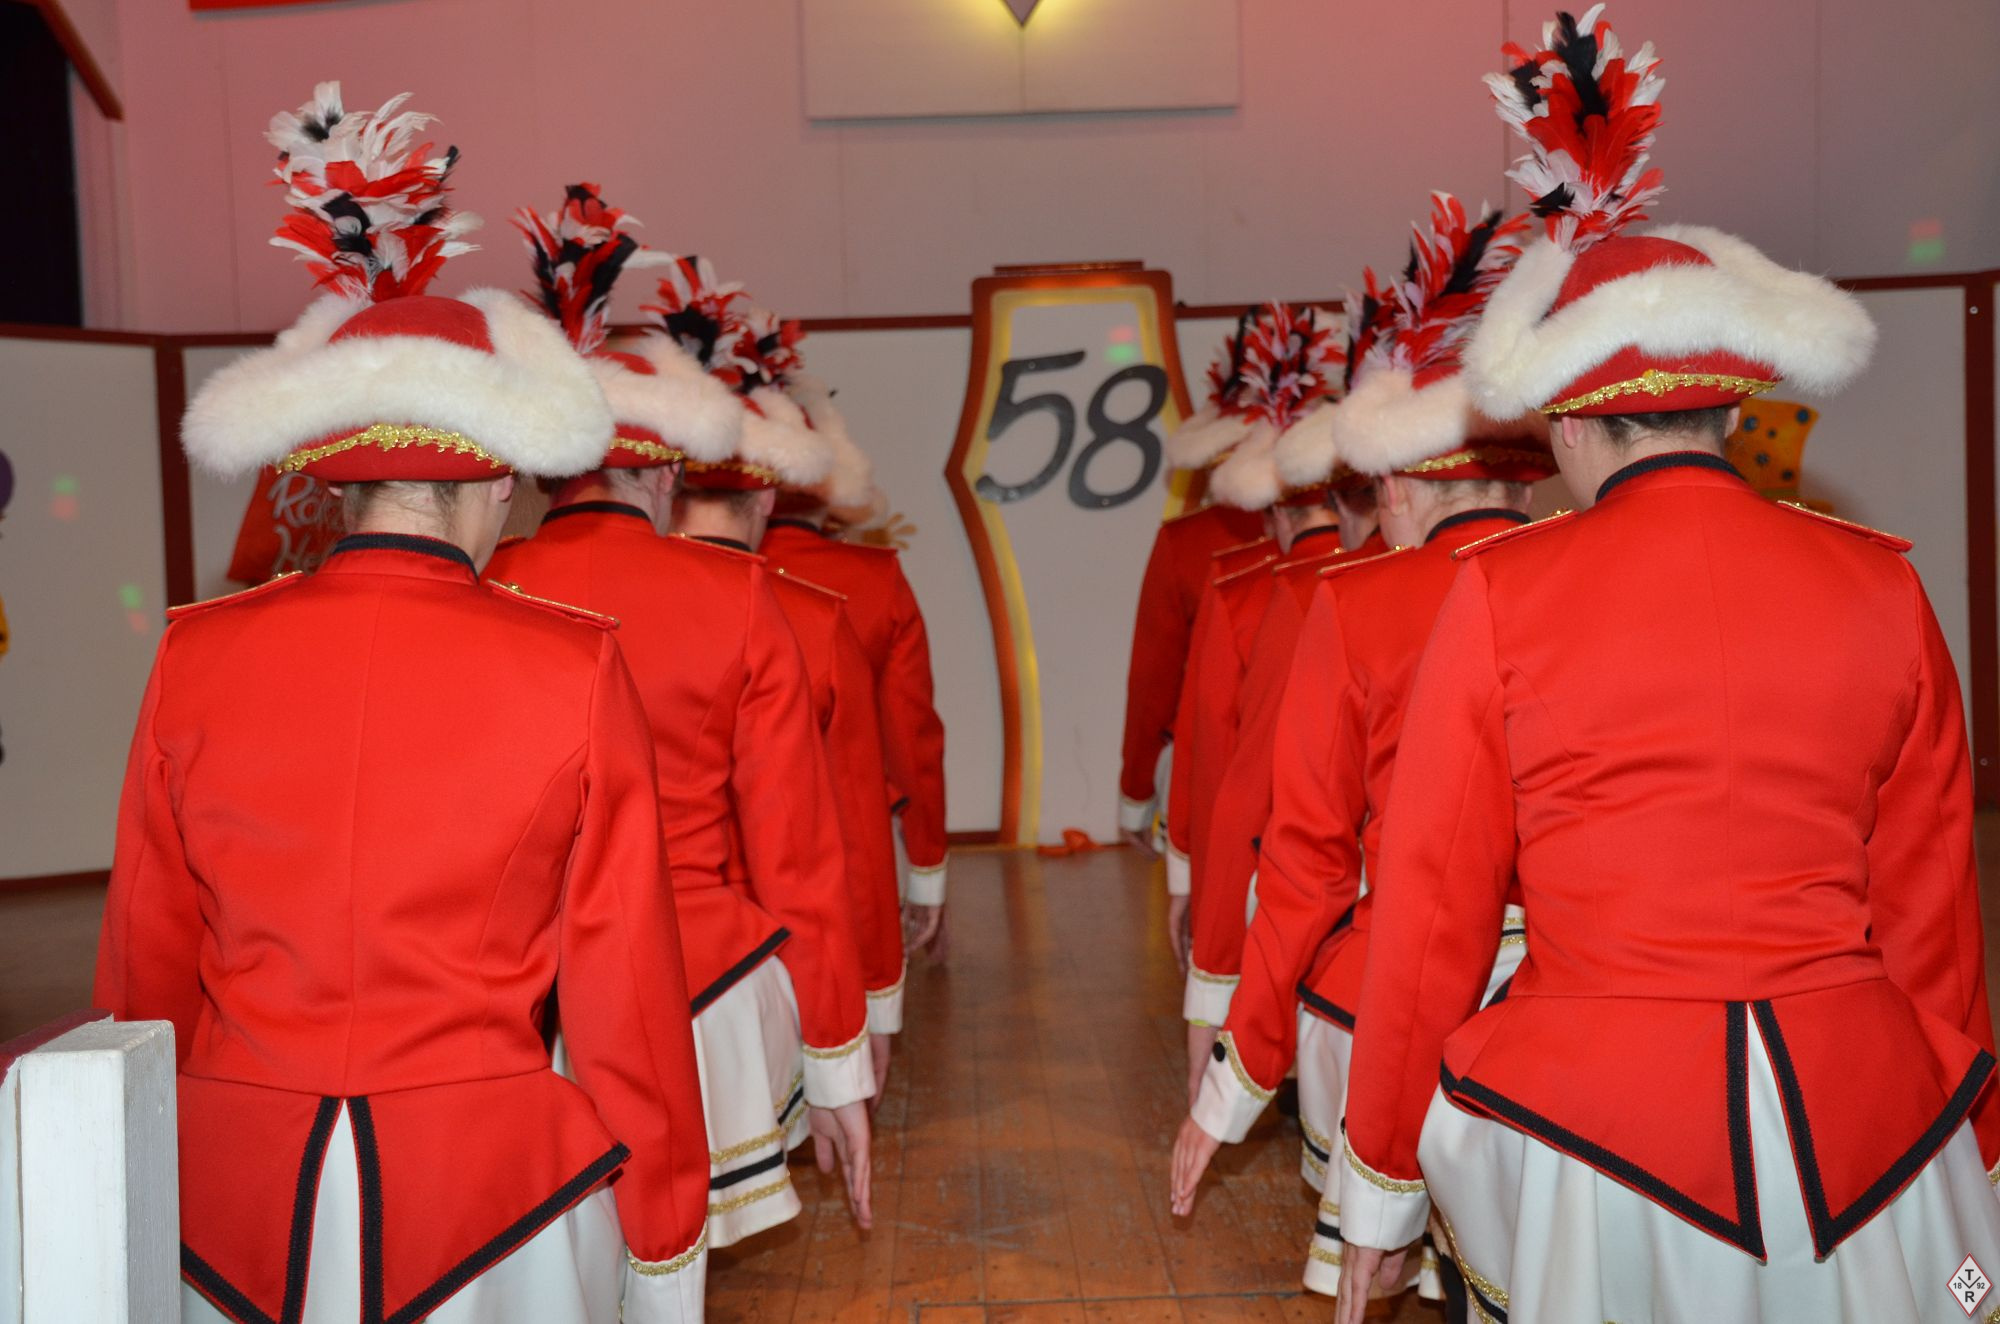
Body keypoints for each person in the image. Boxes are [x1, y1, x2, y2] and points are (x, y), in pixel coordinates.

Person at [1337, 13, 1999, 1322]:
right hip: (1863, 1127)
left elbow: (1430, 923)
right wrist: (1969, 1154)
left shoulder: (1501, 593)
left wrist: (1379, 1196)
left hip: (1598, 1132)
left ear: (1569, 420)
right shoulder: (1882, 582)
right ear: (1733, 407)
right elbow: (1932, 918)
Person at [96, 89, 709, 1323]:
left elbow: (148, 962)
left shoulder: (196, 654)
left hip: (232, 1193)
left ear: (334, 473)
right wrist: (662, 1238)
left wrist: (125, 1182)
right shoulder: (573, 664)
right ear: (492, 473)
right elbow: (625, 993)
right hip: (491, 1198)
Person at [1171, 192, 1551, 1314]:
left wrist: (1232, 1079)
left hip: (1386, 1006)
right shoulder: (1589, 584)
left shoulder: (1352, 602)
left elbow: (1303, 868)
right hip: (1560, 1010)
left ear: (1392, 479)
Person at [487, 218, 873, 1250]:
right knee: (681, 1269)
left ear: (542, 472)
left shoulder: (489, 591)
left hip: (526, 1011)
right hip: (707, 994)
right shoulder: (737, 596)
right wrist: (840, 1064)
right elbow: (797, 852)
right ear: (666, 476)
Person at [1177, 292, 1398, 1070]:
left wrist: (1210, 968)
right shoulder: (1509, 575)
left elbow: (1233, 774)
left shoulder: (1290, 595)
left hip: (1332, 914)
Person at [759, 374, 951, 961]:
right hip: (854, 843)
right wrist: (926, 868)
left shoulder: (692, 581)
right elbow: (911, 739)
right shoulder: (874, 580)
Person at [1117, 310, 1274, 848]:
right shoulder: (1354, 543)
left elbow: (1153, 683)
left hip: (1207, 769)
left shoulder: (1184, 544)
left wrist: (1137, 791)